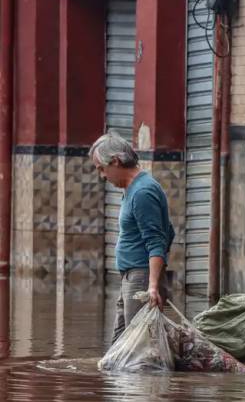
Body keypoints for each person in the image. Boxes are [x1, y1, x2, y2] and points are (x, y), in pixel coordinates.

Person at [90, 132, 175, 343]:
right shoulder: (132, 189)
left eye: (102, 168)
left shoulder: (142, 192)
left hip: (141, 279)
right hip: (133, 277)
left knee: (139, 350)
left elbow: (157, 240)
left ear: (116, 161)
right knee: (119, 350)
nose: (102, 176)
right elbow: (169, 231)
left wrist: (152, 286)